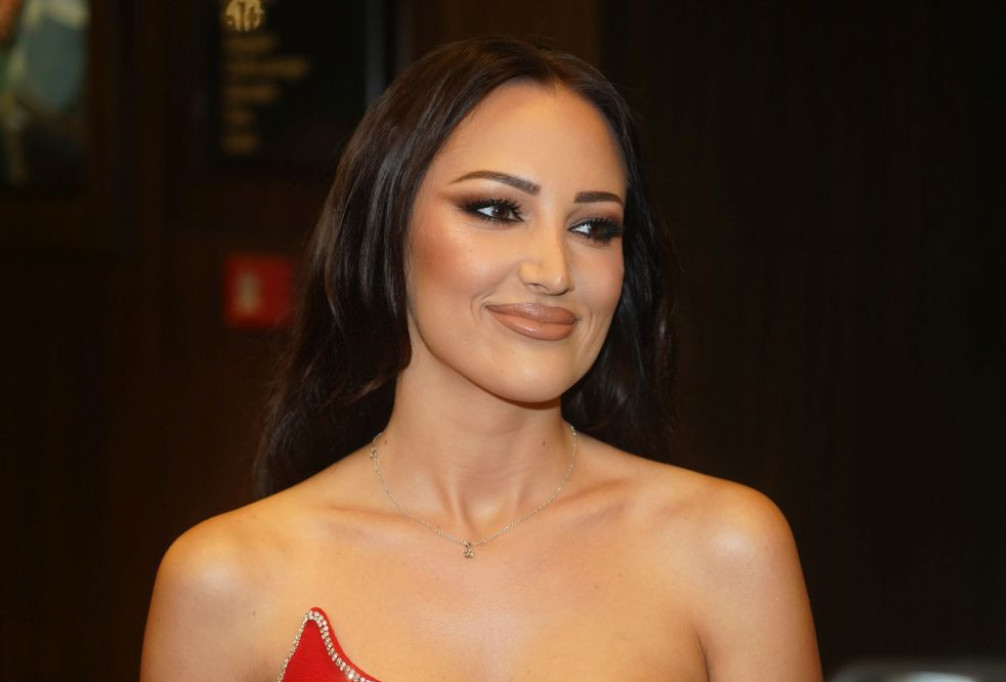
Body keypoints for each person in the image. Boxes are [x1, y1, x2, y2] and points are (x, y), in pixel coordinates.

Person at [141, 36, 821, 681]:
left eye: (593, 226)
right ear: (386, 227)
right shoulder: (228, 580)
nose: (554, 271)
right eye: (496, 210)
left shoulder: (725, 550)